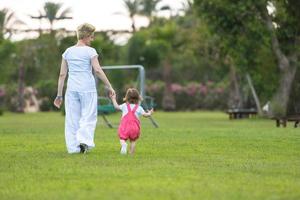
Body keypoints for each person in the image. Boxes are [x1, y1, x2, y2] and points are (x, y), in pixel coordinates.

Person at [53, 23, 115, 154]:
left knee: (72, 118)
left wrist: (59, 95)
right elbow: (97, 70)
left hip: (72, 89)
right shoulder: (90, 51)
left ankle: (73, 148)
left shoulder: (67, 52)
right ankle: (84, 142)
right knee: (89, 116)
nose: (92, 39)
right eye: (91, 37)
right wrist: (109, 86)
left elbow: (62, 74)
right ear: (86, 36)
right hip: (87, 88)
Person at [110, 88, 153, 155]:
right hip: (135, 128)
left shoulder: (124, 106)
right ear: (138, 98)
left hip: (125, 127)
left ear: (127, 97)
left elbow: (116, 107)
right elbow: (145, 115)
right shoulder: (139, 107)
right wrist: (149, 113)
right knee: (133, 141)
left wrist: (113, 99)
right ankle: (131, 154)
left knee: (122, 139)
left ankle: (124, 144)